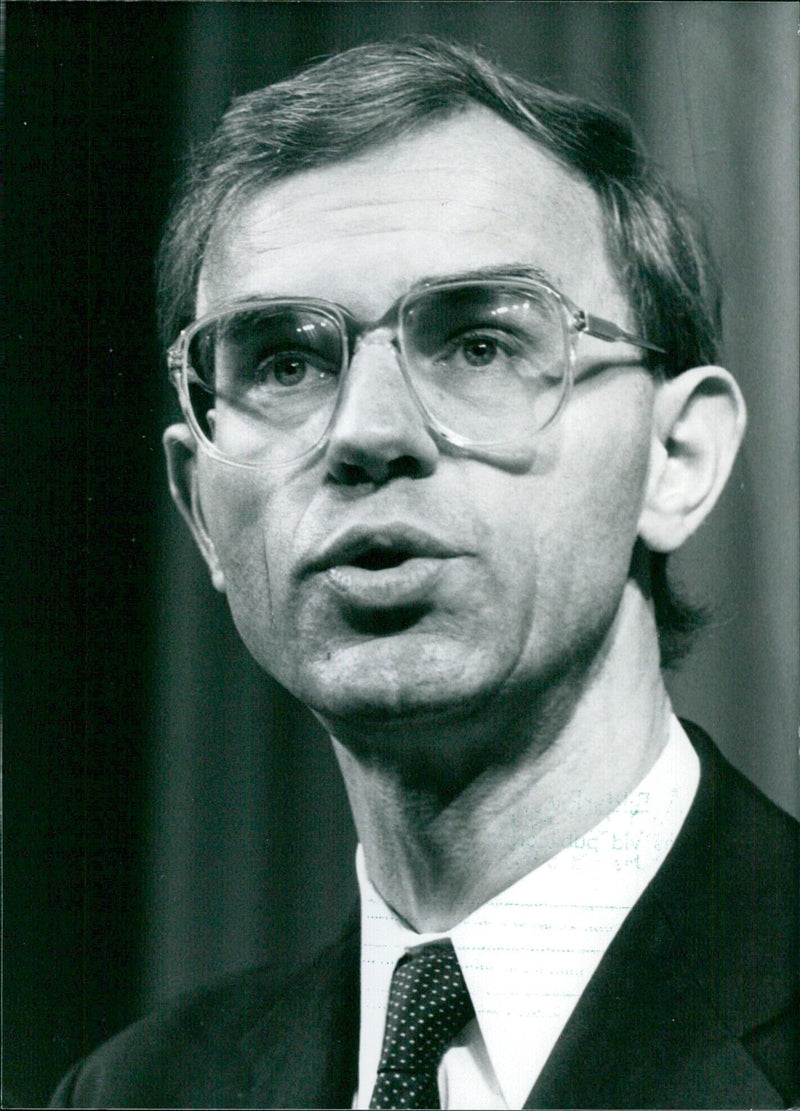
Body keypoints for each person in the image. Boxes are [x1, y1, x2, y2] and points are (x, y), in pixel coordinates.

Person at [51, 37, 797, 1110]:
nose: (366, 432)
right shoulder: (130, 1093)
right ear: (201, 509)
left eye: (481, 343)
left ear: (673, 459)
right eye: (284, 362)